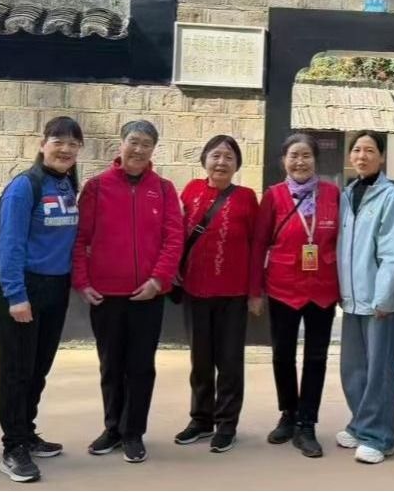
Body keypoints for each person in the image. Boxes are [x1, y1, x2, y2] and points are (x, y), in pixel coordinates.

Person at [72, 119, 183, 464]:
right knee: (110, 365)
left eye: (146, 144)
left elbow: (173, 238)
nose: (139, 149)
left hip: (148, 294)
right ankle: (112, 429)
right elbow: (80, 238)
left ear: (153, 150)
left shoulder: (163, 189)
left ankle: (133, 432)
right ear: (121, 144)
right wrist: (82, 282)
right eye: (133, 141)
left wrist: (158, 280)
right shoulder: (96, 187)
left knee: (140, 366)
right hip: (106, 294)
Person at [0, 117, 84, 482]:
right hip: (25, 289)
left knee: (38, 367)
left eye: (73, 143)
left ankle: (26, 431)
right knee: (16, 371)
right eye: (58, 141)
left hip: (56, 287)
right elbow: (9, 243)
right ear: (42, 144)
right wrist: (16, 295)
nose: (65, 149)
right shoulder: (24, 186)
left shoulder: (67, 184)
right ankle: (12, 447)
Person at [252, 132, 340, 458]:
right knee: (282, 354)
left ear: (315, 160)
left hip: (322, 288)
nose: (300, 162)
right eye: (294, 156)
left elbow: (343, 242)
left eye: (306, 155)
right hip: (283, 287)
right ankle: (288, 414)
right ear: (283, 161)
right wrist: (255, 291)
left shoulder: (333, 194)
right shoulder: (273, 196)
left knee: (316, 357)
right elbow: (259, 244)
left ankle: (307, 423)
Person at [173, 135, 260, 454]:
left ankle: (226, 424)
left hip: (233, 293)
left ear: (237, 165)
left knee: (230, 361)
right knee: (200, 360)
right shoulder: (190, 191)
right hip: (195, 290)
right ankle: (201, 419)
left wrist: (255, 292)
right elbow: (175, 233)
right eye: (215, 155)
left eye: (228, 157)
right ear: (204, 160)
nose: (221, 162)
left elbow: (256, 247)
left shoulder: (247, 198)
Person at [334, 132, 394, 465]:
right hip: (352, 298)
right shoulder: (348, 194)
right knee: (353, 369)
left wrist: (382, 296)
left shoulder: (391, 196)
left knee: (379, 371)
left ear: (382, 157)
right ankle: (361, 424)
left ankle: (380, 437)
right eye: (357, 150)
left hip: (381, 302)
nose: (362, 156)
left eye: (369, 150)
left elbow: (391, 251)